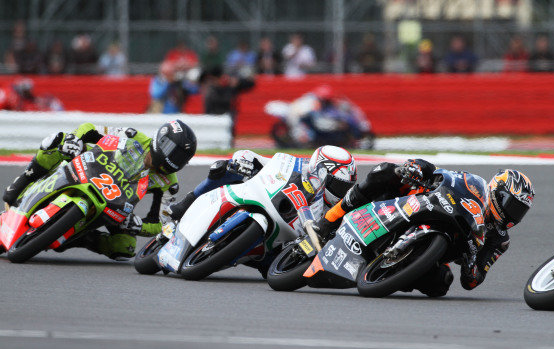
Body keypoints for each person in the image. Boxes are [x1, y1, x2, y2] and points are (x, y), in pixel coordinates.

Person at [315, 160, 535, 297]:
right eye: (511, 205)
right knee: (386, 172)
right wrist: (417, 168)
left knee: (441, 284)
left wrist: (471, 264)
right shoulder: (473, 183)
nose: (512, 214)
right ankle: (331, 218)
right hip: (415, 206)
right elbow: (439, 172)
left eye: (519, 211)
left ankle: (391, 274)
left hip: (441, 244)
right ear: (497, 191)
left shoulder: (499, 240)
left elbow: (473, 280)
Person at [2, 119, 197, 260]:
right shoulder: (132, 135)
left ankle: (80, 238)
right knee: (55, 141)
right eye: (173, 151)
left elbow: (162, 224)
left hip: (115, 201)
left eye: (181, 158)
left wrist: (139, 226)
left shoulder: (169, 184)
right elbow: (90, 128)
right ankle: (19, 185)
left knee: (125, 248)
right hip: (88, 169)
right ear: (160, 140)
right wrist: (76, 139)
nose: (175, 159)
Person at [166, 145, 358, 276]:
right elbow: (253, 156)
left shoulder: (335, 211)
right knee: (222, 169)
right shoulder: (294, 165)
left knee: (273, 273)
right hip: (261, 199)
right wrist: (244, 160)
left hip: (277, 247)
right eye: (337, 185)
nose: (340, 192)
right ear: (319, 170)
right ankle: (185, 204)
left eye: (345, 187)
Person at [199, 65, 255, 145]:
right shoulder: (211, 88)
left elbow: (251, 84)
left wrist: (237, 82)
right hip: (213, 117)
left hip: (228, 116)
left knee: (227, 139)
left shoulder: (229, 85)